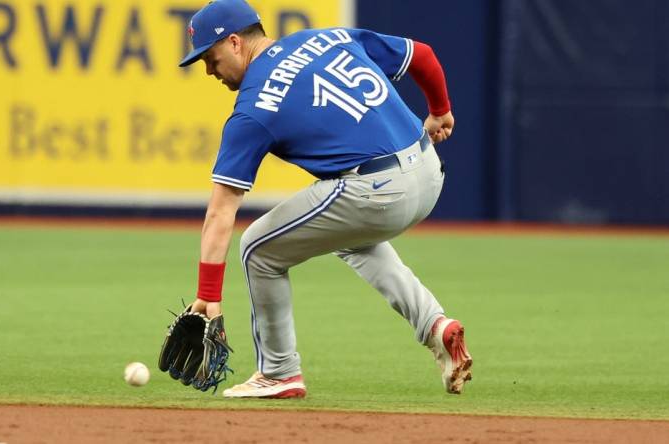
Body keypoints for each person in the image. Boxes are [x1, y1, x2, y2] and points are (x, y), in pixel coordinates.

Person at [180, 0, 472, 398]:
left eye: (210, 58)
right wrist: (440, 110)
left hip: (378, 190)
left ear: (234, 42)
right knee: (351, 240)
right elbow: (423, 55)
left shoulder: (253, 108)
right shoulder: (326, 37)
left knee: (257, 249)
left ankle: (279, 371)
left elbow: (220, 211)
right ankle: (437, 328)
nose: (209, 70)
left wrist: (208, 296)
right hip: (428, 171)